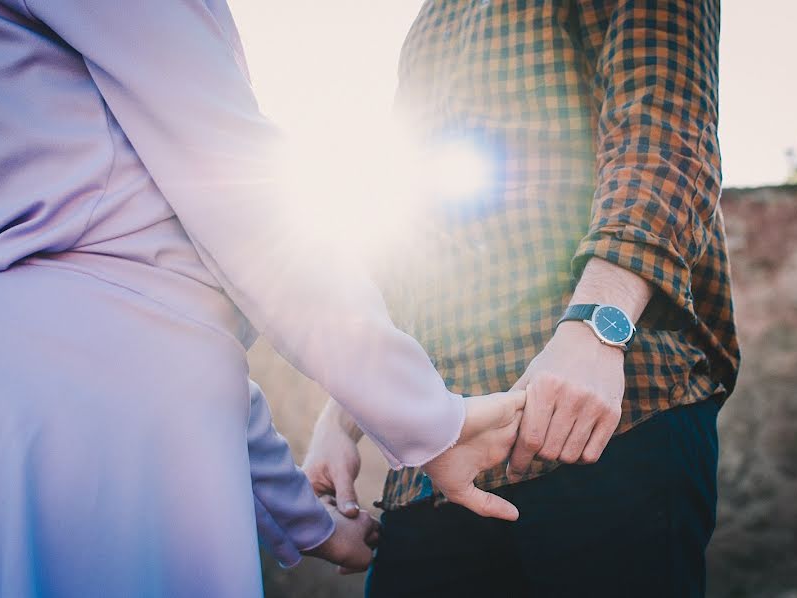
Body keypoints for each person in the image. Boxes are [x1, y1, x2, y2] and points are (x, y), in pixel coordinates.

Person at [0, 1, 527, 596]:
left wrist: (309, 523)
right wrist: (429, 416)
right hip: (109, 415)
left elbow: (149, 307)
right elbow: (236, 194)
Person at [303, 1, 741, 596]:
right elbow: (408, 241)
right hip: (436, 466)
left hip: (609, 426)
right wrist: (342, 416)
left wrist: (595, 327)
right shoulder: (431, 22)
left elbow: (664, 130)